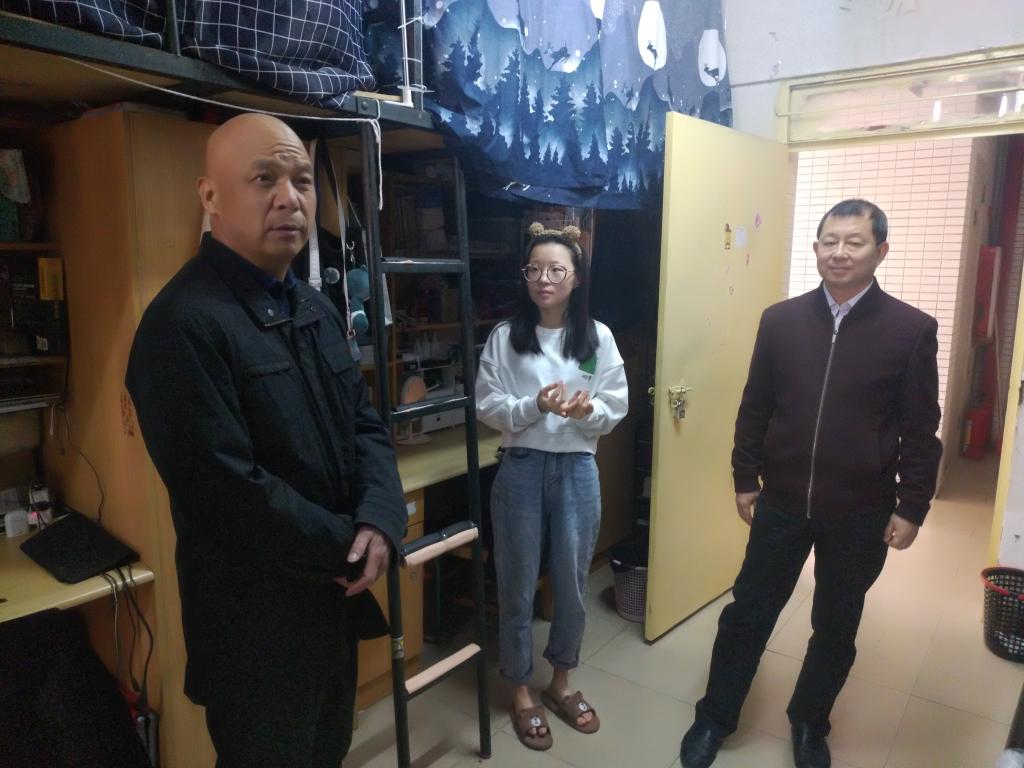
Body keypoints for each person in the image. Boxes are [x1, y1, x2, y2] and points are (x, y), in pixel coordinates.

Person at [125, 113, 408, 768]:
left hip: (332, 609)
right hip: (255, 631)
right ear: (211, 196)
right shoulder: (182, 326)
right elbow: (226, 492)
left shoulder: (313, 308)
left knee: (328, 750)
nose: (289, 198)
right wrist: (349, 546)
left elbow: (364, 422)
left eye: (302, 180)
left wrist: (381, 518)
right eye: (263, 179)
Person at [680, 199, 942, 768]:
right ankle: (715, 715)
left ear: (881, 251)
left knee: (836, 624)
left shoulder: (911, 330)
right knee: (748, 612)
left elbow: (922, 429)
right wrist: (744, 475)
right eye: (829, 241)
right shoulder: (781, 321)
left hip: (861, 510)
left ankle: (808, 720)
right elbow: (756, 405)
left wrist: (912, 506)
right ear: (816, 247)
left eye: (854, 242)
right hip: (781, 501)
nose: (839, 252)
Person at [476, 222, 629, 751]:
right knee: (516, 584)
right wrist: (533, 405)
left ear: (576, 278)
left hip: (577, 469)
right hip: (520, 467)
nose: (544, 279)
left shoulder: (598, 337)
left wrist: (589, 413)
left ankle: (561, 683)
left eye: (556, 270)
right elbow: (487, 404)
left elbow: (616, 403)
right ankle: (521, 691)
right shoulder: (505, 336)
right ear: (524, 276)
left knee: (571, 583)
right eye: (534, 269)